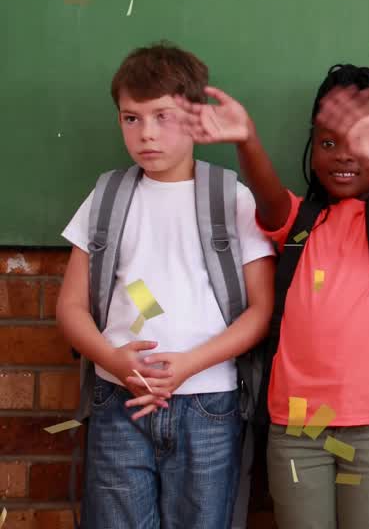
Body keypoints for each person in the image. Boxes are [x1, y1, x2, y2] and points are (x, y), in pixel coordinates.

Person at [178, 64, 369, 528]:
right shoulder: (298, 222)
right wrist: (246, 138)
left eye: (361, 142)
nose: (342, 156)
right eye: (328, 143)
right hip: (295, 430)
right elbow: (268, 199)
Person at [57, 42, 275, 529]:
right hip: (119, 401)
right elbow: (70, 306)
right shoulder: (107, 195)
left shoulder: (231, 197)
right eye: (131, 118)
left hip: (209, 404)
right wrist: (113, 360)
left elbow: (260, 310)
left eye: (162, 115)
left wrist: (189, 366)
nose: (146, 133)